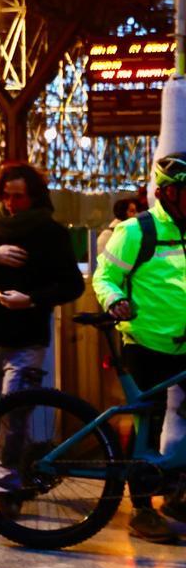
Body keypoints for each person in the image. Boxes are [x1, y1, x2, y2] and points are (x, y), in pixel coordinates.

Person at [0, 162, 85, 521]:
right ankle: (23, 463)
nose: (11, 204)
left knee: (13, 412)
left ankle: (5, 486)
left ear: (34, 196)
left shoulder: (51, 232)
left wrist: (32, 299)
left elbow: (73, 285)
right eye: (6, 196)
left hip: (27, 337)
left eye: (18, 197)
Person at [94, 153, 186, 543]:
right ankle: (142, 510)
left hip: (182, 343)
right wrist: (114, 300)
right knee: (147, 423)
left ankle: (178, 494)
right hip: (145, 342)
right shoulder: (137, 231)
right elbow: (105, 276)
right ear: (166, 193)